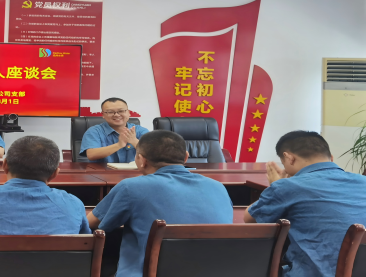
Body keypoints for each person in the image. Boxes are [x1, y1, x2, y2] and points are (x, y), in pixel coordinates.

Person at [89, 130, 232, 277]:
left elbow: (91, 223)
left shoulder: (131, 187)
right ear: (186, 157)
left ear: (141, 160)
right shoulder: (218, 187)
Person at [245, 131, 366, 277]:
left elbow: (249, 218)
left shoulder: (286, 186)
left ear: (289, 158)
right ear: (331, 158)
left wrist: (276, 186)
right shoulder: (363, 181)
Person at [80, 97, 149, 163]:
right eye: (110, 112)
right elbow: (91, 155)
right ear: (103, 114)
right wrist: (119, 145)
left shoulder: (140, 131)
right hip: (102, 170)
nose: (116, 115)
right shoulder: (94, 131)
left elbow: (152, 154)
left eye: (121, 111)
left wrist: (134, 141)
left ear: (128, 113)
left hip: (134, 170)